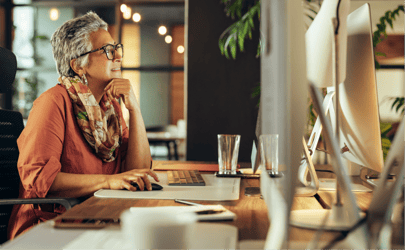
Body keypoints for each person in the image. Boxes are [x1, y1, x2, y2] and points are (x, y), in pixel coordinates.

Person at [7, 11, 158, 239]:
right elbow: (38, 178)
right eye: (107, 50)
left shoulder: (110, 109)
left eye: (116, 48)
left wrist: (134, 110)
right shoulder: (52, 103)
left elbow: (137, 170)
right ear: (78, 65)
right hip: (49, 227)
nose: (118, 56)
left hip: (100, 217)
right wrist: (109, 181)